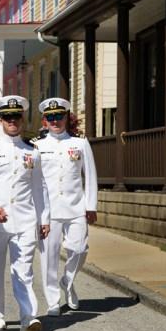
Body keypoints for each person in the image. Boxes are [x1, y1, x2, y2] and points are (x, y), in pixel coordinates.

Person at [0, 95, 50, 331]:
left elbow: (40, 189)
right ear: (0, 120)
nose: (12, 121)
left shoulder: (33, 151)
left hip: (25, 220)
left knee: (24, 271)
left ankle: (28, 317)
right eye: (7, 117)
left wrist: (44, 218)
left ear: (23, 118)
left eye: (16, 116)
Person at [34, 98, 98, 316]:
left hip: (76, 208)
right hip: (48, 212)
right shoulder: (37, 146)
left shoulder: (80, 143)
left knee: (80, 250)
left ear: (66, 118)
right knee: (49, 257)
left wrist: (91, 206)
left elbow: (90, 176)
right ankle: (53, 300)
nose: (55, 121)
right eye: (50, 117)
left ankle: (67, 282)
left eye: (59, 116)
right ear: (45, 120)